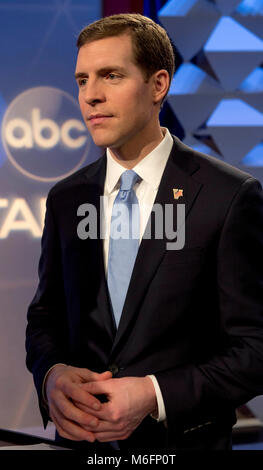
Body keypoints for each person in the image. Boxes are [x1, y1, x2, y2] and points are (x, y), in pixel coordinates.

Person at [26, 13, 263, 452]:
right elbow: (44, 319)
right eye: (81, 80)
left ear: (159, 85)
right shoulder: (66, 198)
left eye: (110, 76)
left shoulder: (229, 196)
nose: (90, 96)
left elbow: (254, 349)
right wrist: (51, 376)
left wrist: (154, 394)